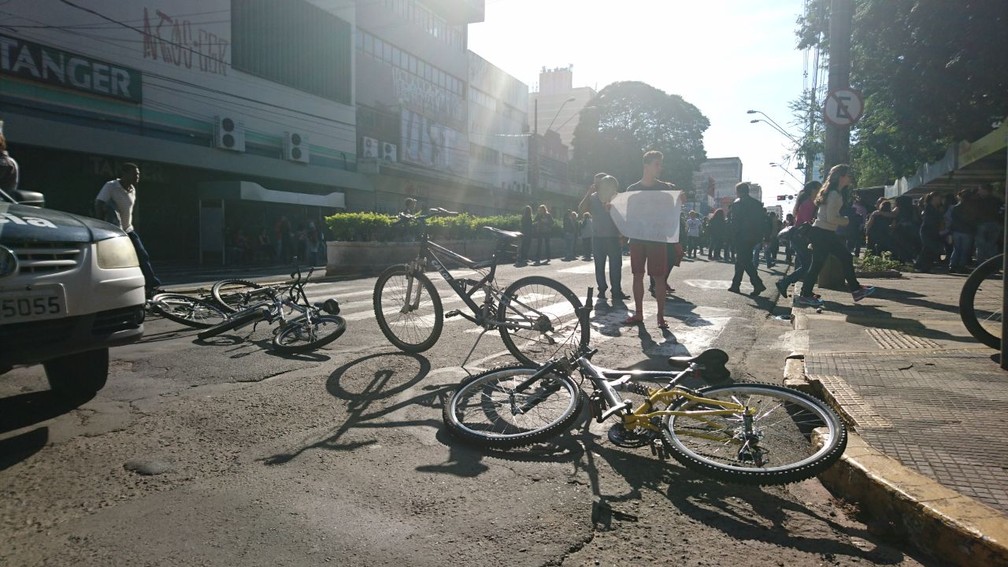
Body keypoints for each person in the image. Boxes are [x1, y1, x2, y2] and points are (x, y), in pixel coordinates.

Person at [795, 164, 875, 306]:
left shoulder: (830, 192)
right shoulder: (834, 194)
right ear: (841, 177)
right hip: (824, 233)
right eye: (848, 175)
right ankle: (856, 290)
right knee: (845, 257)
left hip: (821, 232)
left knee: (817, 265)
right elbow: (832, 218)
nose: (850, 178)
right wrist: (846, 220)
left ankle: (805, 294)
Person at [622, 150, 677, 330]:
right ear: (646, 165)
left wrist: (676, 240)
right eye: (657, 164)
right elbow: (629, 215)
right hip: (638, 238)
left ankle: (661, 317)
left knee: (659, 278)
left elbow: (671, 213)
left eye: (660, 164)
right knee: (637, 275)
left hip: (656, 238)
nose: (660, 168)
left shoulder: (666, 188)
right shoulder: (632, 189)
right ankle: (639, 313)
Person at [95, 162, 162, 296]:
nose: (137, 177)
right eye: (135, 174)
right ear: (124, 174)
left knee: (142, 255)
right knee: (115, 260)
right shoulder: (111, 186)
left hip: (128, 229)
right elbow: (99, 203)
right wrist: (101, 226)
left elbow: (129, 211)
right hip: (113, 231)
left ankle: (151, 286)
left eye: (138, 175)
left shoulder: (132, 189)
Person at [579, 173, 627, 300]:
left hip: (613, 237)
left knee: (616, 266)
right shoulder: (593, 198)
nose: (597, 186)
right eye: (595, 183)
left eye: (599, 183)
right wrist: (588, 193)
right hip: (598, 238)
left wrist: (623, 235)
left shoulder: (617, 197)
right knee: (599, 266)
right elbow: (581, 210)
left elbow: (624, 218)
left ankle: (616, 291)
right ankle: (602, 290)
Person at [775, 181, 820, 298]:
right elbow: (806, 223)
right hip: (801, 238)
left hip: (800, 237)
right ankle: (786, 283)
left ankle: (802, 289)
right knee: (807, 266)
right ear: (813, 190)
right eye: (819, 188)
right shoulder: (808, 204)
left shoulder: (808, 203)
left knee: (806, 265)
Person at [727, 182, 767, 296]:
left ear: (738, 191)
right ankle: (735, 285)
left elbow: (735, 222)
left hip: (741, 236)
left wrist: (732, 235)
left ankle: (757, 283)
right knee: (742, 260)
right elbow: (762, 222)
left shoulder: (738, 204)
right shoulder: (757, 204)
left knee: (744, 260)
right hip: (754, 236)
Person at [913, 191, 945, 273]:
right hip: (927, 230)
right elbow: (930, 220)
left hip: (932, 230)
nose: (940, 200)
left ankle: (921, 265)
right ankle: (923, 265)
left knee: (928, 248)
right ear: (934, 198)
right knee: (929, 248)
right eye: (939, 198)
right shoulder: (929, 207)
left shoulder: (935, 208)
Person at [946, 188, 976, 274]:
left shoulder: (955, 208)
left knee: (956, 249)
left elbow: (952, 220)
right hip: (967, 231)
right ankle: (961, 266)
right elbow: (973, 220)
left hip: (956, 231)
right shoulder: (972, 207)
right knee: (964, 250)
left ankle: (952, 265)